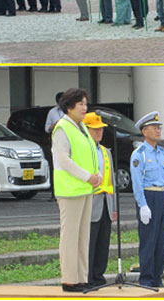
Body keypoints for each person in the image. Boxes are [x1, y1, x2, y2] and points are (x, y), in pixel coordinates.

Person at [51, 88, 101, 292]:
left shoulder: (80, 127)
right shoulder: (62, 127)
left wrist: (95, 176)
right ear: (69, 106)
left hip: (84, 189)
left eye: (86, 103)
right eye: (80, 104)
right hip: (70, 189)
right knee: (70, 236)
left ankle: (82, 277)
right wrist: (87, 176)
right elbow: (64, 159)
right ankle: (69, 279)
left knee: (83, 236)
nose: (84, 108)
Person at [130, 111, 164, 288]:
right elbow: (137, 182)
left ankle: (157, 278)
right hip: (148, 197)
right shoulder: (139, 154)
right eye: (154, 128)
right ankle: (146, 279)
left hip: (162, 196)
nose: (158, 131)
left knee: (161, 242)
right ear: (144, 131)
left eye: (159, 127)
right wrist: (142, 205)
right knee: (149, 240)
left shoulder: (162, 153)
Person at [83, 112, 116, 288]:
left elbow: (112, 181)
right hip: (90, 204)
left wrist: (115, 206)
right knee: (89, 244)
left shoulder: (105, 152)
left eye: (101, 129)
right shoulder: (83, 151)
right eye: (94, 129)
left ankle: (98, 277)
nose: (99, 133)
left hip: (106, 204)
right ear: (86, 130)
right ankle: (87, 279)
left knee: (103, 243)